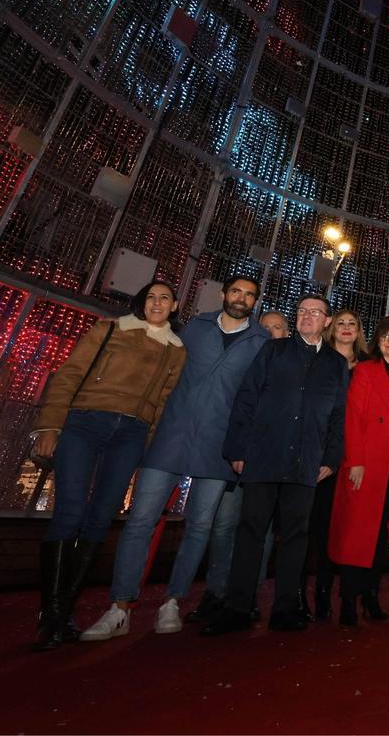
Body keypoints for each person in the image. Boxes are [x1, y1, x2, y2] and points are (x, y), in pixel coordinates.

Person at [80, 276, 270, 640]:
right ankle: (120, 606)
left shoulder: (261, 342)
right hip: (170, 436)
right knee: (140, 521)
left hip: (219, 446)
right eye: (236, 291)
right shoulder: (191, 329)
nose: (242, 298)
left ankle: (172, 601)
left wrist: (243, 448)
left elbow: (255, 401)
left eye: (249, 295)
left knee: (199, 526)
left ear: (255, 301)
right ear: (223, 294)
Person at [29, 281, 186, 650]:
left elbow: (163, 403)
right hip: (84, 422)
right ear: (141, 301)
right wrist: (50, 425)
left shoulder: (177, 350)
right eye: (151, 296)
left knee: (101, 517)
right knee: (69, 511)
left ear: (175, 304)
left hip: (131, 433)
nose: (157, 303)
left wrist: (146, 446)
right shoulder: (110, 328)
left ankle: (64, 610)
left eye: (165, 297)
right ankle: (52, 616)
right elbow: (69, 373)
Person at [202, 295, 348, 634]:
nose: (306, 317)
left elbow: (338, 416)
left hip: (306, 461)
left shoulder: (335, 364)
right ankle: (237, 607)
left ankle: (286, 608)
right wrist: (237, 448)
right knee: (250, 532)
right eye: (301, 312)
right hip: (263, 455)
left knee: (296, 536)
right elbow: (247, 397)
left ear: (327, 322)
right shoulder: (272, 351)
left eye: (315, 313)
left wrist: (331, 457)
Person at [188, 312, 288, 624]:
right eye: (265, 327)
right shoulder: (245, 363)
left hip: (270, 463)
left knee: (263, 531)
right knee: (223, 526)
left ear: (287, 333)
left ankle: (249, 593)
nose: (270, 332)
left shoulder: (293, 367)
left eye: (277, 328)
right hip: (237, 461)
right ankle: (215, 592)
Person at [328, 317, 389, 626]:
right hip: (366, 465)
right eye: (385, 337)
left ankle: (370, 595)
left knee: (381, 536)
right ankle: (349, 601)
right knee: (359, 534)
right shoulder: (365, 371)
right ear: (377, 342)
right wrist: (355, 461)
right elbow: (352, 418)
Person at [300, 308, 366, 621]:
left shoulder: (368, 365)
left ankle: (349, 597)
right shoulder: (318, 359)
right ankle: (313, 594)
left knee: (350, 528)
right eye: (340, 322)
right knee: (317, 528)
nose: (346, 328)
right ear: (330, 327)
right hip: (321, 455)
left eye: (352, 323)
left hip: (355, 458)